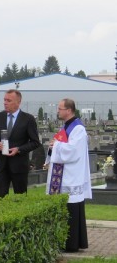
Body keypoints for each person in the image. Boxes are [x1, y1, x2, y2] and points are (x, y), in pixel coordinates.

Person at [45, 98, 92, 252]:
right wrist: (54, 147)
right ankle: (65, 241)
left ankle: (72, 244)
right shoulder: (66, 127)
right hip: (64, 174)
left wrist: (56, 145)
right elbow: (63, 146)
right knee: (65, 208)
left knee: (71, 208)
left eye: (60, 109)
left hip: (71, 176)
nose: (58, 111)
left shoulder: (78, 129)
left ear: (69, 110)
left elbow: (72, 151)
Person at [0, 89, 41, 198]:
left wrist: (19, 149)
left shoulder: (28, 119)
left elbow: (35, 142)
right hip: (2, 165)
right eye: (4, 100)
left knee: (20, 197)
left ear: (18, 102)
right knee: (2, 198)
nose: (5, 103)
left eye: (9, 100)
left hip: (19, 165)